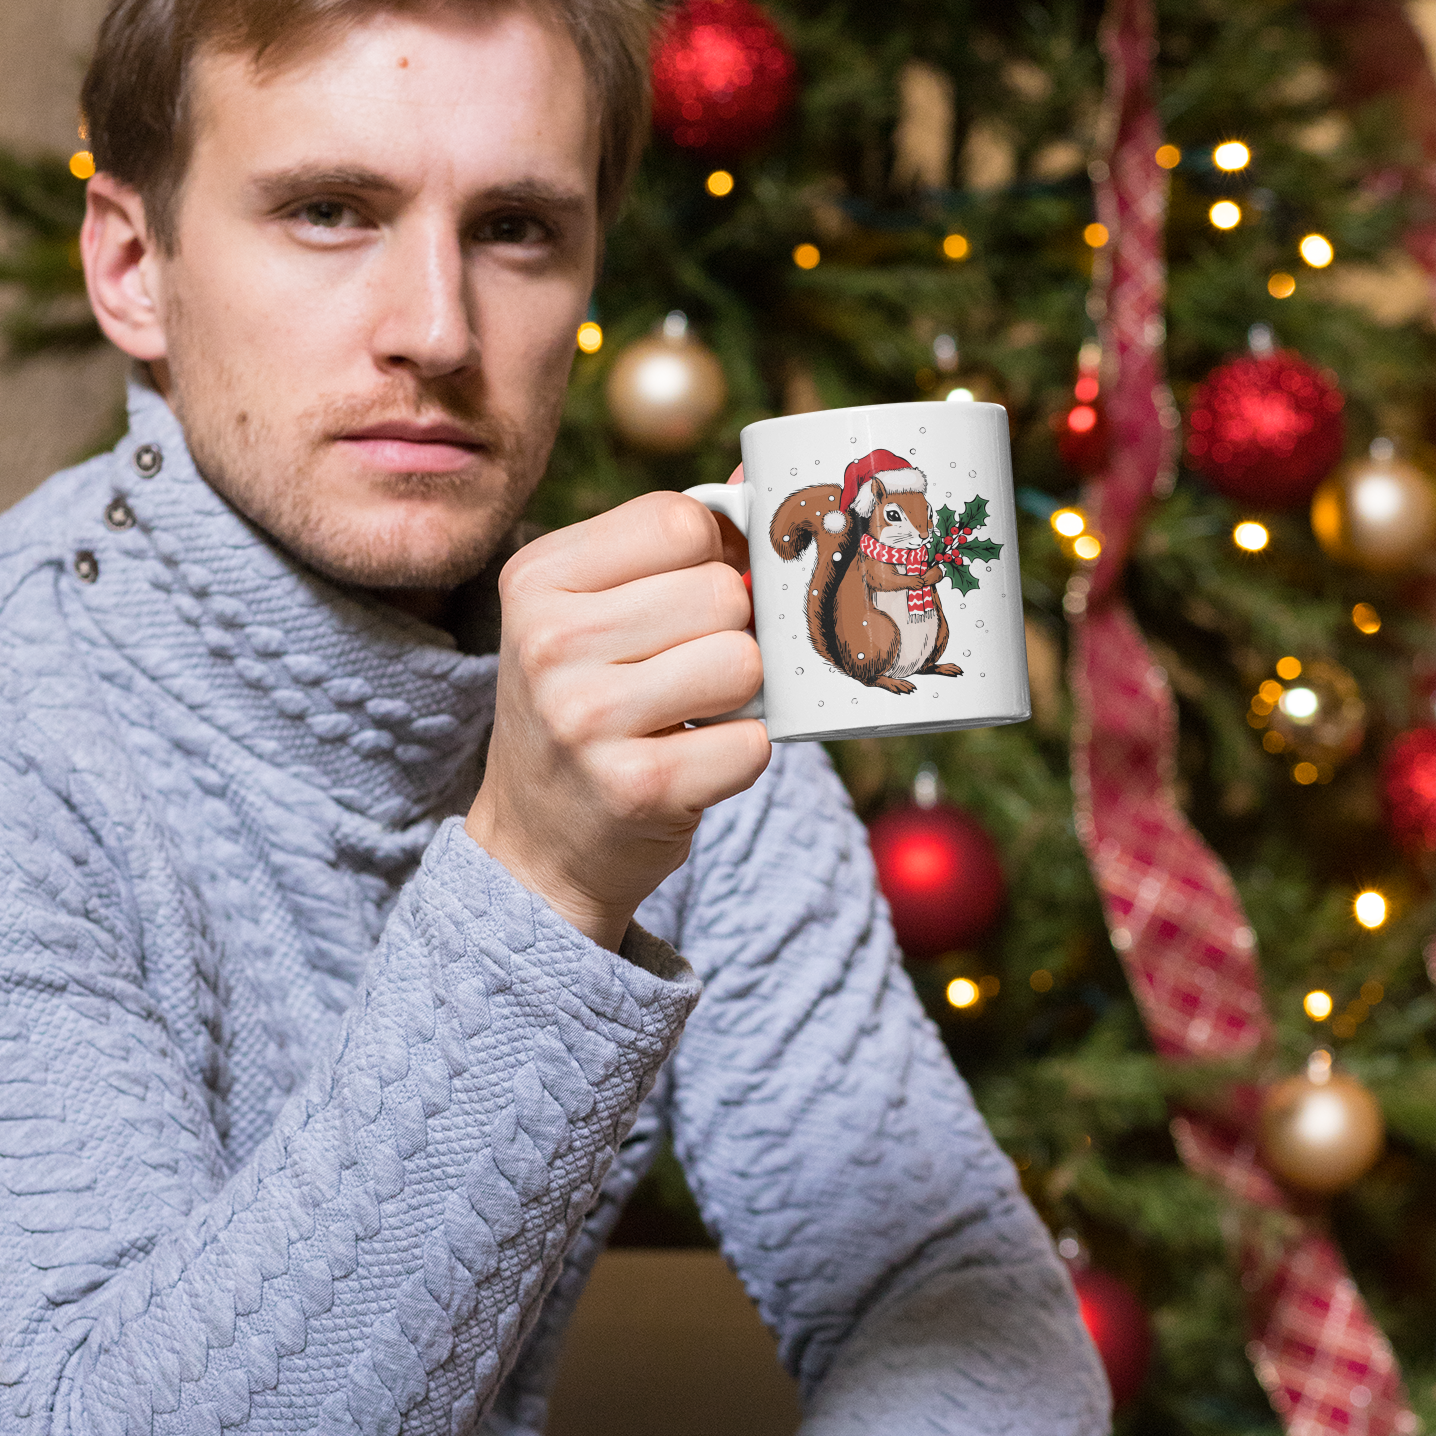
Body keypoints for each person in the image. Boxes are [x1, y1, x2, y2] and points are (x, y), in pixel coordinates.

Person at [0, 0, 1109, 1430]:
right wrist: (541, 878)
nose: (439, 331)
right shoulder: (28, 727)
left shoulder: (671, 695)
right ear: (134, 267)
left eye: (517, 228)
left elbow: (953, 1297)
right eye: (332, 211)